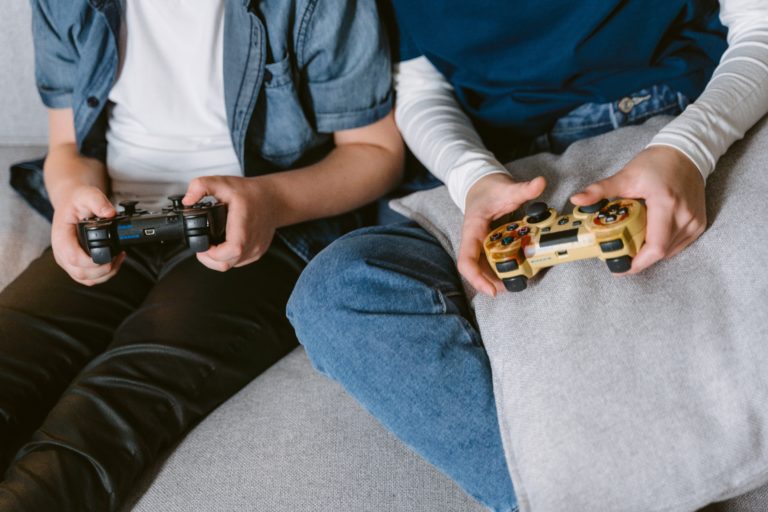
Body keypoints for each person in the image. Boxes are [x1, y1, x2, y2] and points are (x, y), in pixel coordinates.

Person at [287, 0, 768, 510]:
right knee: (337, 290)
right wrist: (473, 178)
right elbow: (421, 88)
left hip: (689, 124)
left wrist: (691, 148)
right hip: (497, 172)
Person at [0, 0, 403, 510]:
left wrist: (271, 203)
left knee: (99, 421)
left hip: (265, 226)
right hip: (114, 215)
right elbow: (67, 147)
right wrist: (71, 197)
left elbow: (377, 153)